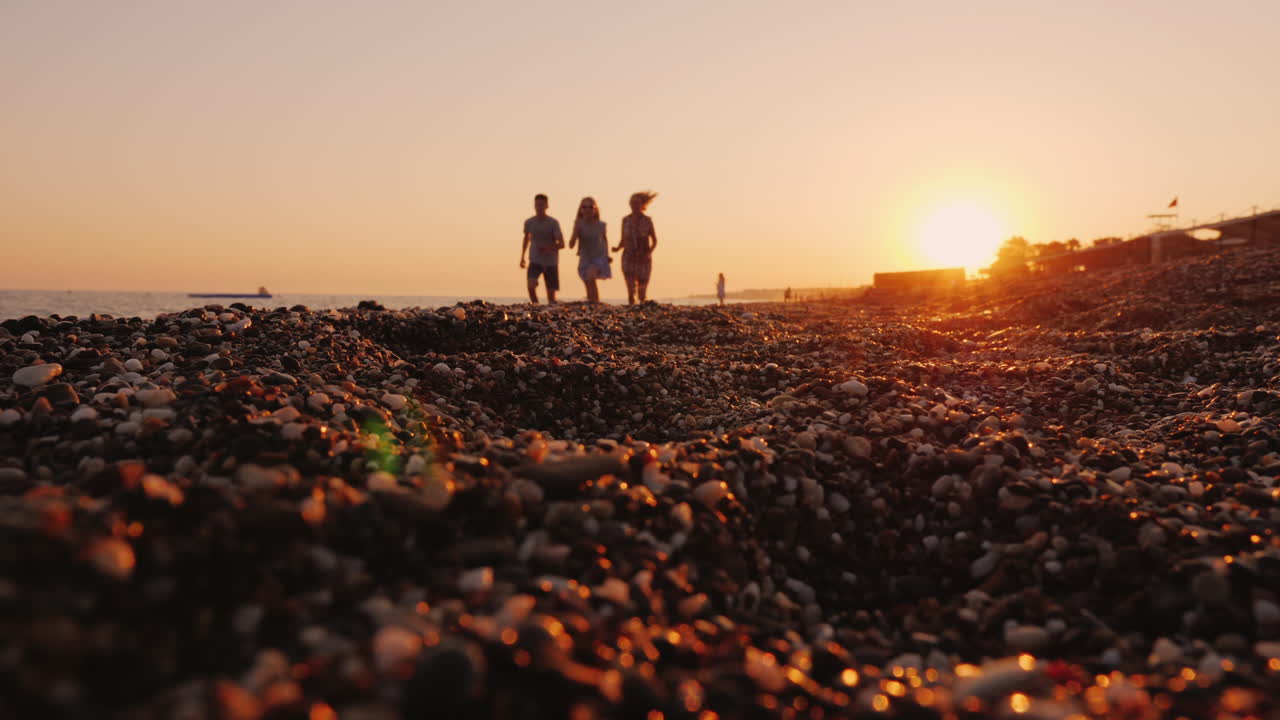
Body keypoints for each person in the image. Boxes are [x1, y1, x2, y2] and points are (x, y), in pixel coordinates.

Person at [614, 191, 658, 305]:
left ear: (642, 205)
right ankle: (631, 307)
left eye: (637, 203)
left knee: (642, 292)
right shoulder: (625, 220)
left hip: (643, 257)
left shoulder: (647, 220)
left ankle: (641, 309)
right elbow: (623, 240)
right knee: (630, 289)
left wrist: (649, 253)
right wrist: (617, 248)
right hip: (628, 256)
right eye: (632, 203)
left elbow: (654, 240)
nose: (634, 205)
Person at [520, 194, 564, 304]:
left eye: (541, 205)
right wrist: (522, 257)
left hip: (551, 262)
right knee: (531, 285)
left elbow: (562, 244)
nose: (539, 207)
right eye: (537, 205)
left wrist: (549, 248)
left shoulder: (553, 223)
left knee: (551, 298)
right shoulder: (529, 222)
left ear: (546, 206)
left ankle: (554, 306)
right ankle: (536, 306)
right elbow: (526, 239)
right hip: (535, 260)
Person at [569, 197, 610, 303]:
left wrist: (607, 255)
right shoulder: (578, 224)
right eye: (584, 207)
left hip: (598, 257)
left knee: (591, 277)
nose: (587, 210)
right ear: (580, 210)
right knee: (587, 281)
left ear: (595, 210)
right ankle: (593, 302)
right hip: (585, 257)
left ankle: (595, 303)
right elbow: (571, 245)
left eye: (591, 207)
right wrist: (576, 232)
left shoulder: (601, 225)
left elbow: (605, 240)